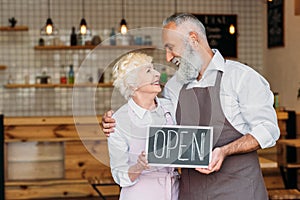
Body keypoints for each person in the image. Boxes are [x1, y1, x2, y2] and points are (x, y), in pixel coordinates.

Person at [103, 13, 280, 200]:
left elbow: (268, 130)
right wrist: (112, 122)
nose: (168, 57)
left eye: (171, 48)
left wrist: (226, 150)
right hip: (190, 192)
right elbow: (150, 113)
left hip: (239, 191)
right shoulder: (173, 87)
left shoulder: (241, 77)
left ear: (193, 39)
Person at [107, 52, 179, 200]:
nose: (157, 74)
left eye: (154, 69)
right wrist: (138, 167)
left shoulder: (170, 107)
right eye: (148, 71)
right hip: (140, 194)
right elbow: (119, 175)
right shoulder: (119, 121)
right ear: (132, 85)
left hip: (175, 191)